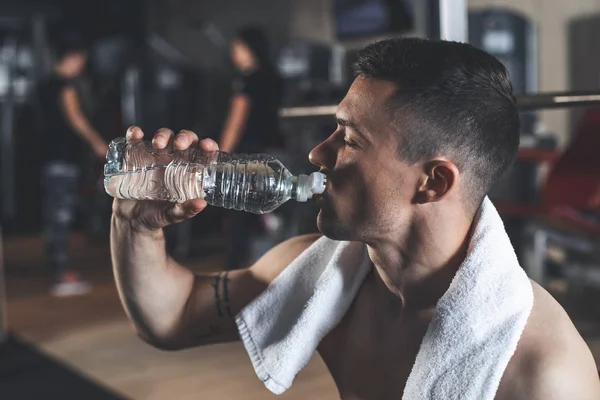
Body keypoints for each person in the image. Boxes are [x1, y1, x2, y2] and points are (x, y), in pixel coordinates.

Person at [110, 38, 600, 399]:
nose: (318, 153)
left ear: (434, 182)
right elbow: (172, 319)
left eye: (349, 138)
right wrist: (137, 225)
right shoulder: (320, 271)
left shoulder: (544, 374)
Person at [37, 37, 108, 296]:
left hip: (48, 158)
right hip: (63, 159)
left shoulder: (44, 84)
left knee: (54, 217)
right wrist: (98, 143)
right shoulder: (65, 87)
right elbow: (76, 119)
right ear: (74, 56)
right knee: (61, 216)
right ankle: (60, 275)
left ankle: (57, 270)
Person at [220, 26, 284, 270]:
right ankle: (265, 265)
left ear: (250, 49)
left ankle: (235, 268)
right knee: (265, 210)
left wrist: (220, 156)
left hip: (246, 153)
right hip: (271, 152)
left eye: (237, 48)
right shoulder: (274, 78)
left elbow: (236, 121)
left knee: (238, 212)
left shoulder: (246, 81)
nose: (233, 54)